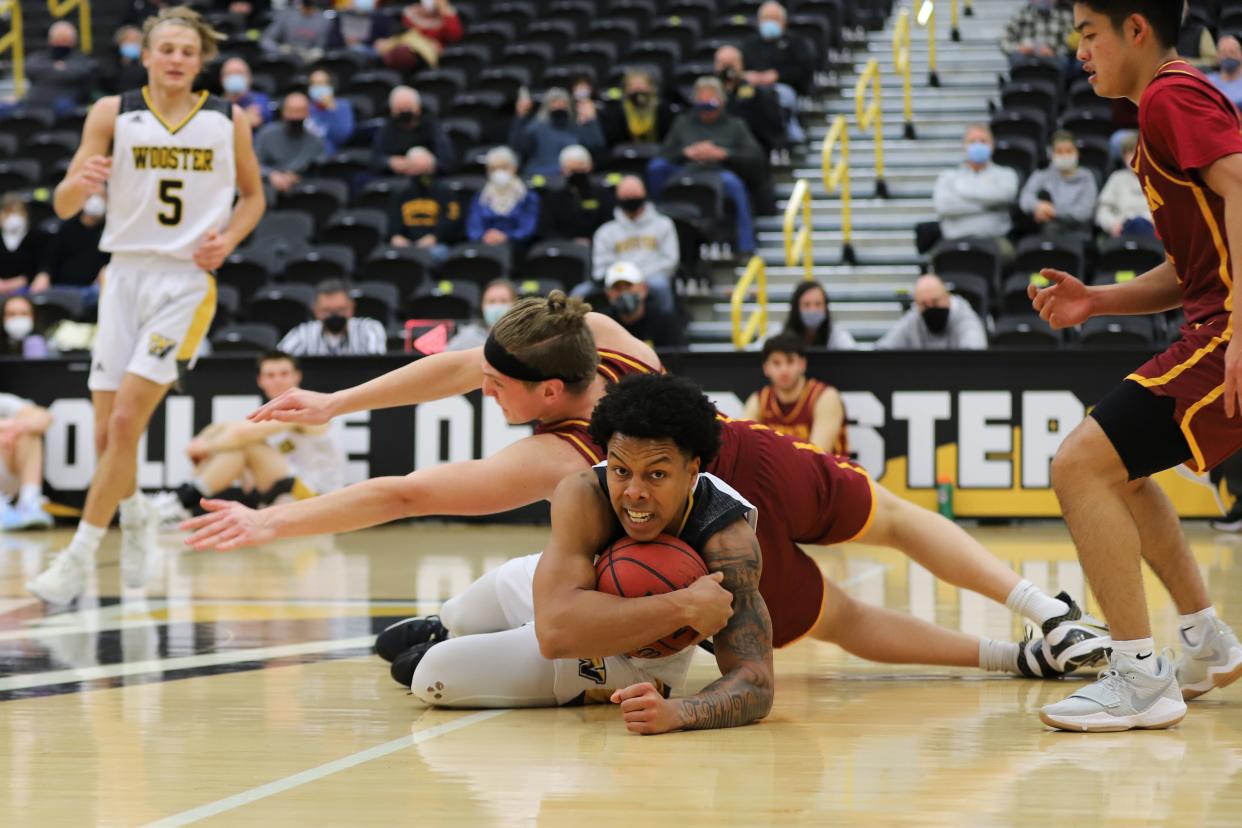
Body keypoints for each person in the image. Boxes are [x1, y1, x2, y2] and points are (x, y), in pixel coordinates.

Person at [184, 292, 1107, 686]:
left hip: (705, 519)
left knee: (841, 622)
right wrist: (333, 403)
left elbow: (397, 495)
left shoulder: (558, 456)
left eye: (500, 389)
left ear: (549, 393)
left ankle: (1010, 659)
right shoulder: (590, 331)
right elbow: (465, 361)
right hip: (748, 453)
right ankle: (1044, 610)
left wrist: (273, 524)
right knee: (898, 521)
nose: (485, 389)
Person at [1030, 0, 1242, 733]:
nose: (1079, 49)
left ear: (1137, 30)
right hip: (1216, 317)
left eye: (1089, 33)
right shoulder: (1167, 103)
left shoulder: (1170, 95)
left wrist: (1241, 323)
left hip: (1230, 328)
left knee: (1078, 465)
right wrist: (1097, 301)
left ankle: (1139, 676)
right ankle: (1205, 640)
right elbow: (1195, 266)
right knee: (1120, 468)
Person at [25, 6, 265, 606]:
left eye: (188, 50)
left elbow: (254, 197)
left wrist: (228, 240)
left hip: (184, 282)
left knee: (127, 424)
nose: (178, 59)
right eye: (168, 49)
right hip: (124, 277)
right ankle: (132, 513)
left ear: (200, 60)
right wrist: (80, 185)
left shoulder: (225, 118)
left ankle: (78, 558)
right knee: (109, 432)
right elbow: (58, 206)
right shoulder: (112, 112)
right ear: (147, 55)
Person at [390, 374, 774, 732]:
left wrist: (680, 714)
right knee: (460, 613)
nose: (634, 492)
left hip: (636, 657)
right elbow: (555, 633)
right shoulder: (583, 491)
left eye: (656, 475)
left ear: (691, 473)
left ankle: (466, 644)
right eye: (621, 470)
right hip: (570, 598)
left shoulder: (728, 543)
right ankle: (450, 630)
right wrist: (684, 606)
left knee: (431, 675)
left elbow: (756, 684)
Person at [152, 351, 344, 527]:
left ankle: (181, 501)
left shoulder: (304, 406)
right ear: (260, 381)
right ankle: (180, 502)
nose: (278, 380)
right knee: (228, 434)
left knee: (243, 443)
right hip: (287, 495)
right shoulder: (270, 414)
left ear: (297, 376)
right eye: (270, 375)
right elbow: (230, 430)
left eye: (284, 374)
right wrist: (206, 443)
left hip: (318, 502)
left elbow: (242, 434)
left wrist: (206, 446)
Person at [648, 77, 763, 256]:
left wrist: (723, 153)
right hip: (684, 170)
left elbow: (755, 155)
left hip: (718, 173)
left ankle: (745, 245)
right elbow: (664, 153)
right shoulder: (682, 123)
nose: (706, 110)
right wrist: (686, 152)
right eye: (702, 105)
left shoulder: (735, 125)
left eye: (711, 105)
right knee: (656, 168)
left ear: (722, 102)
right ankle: (653, 221)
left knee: (735, 186)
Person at [743, 332, 847, 454]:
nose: (784, 370)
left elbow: (817, 457)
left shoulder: (825, 397)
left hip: (825, 472)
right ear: (766, 368)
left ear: (802, 364)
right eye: (776, 363)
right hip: (778, 470)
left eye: (790, 361)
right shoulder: (758, 400)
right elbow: (746, 450)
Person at [588, 176, 678, 315]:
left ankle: (665, 328)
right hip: (617, 280)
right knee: (580, 292)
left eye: (634, 195)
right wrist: (623, 279)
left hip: (650, 278)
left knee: (660, 285)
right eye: (626, 196)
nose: (630, 199)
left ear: (645, 196)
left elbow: (670, 262)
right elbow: (600, 269)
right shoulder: (605, 231)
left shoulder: (664, 224)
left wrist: (637, 279)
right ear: (617, 198)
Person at [933, 124, 1021, 258]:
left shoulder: (1007, 174)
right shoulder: (948, 176)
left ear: (992, 146)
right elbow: (944, 207)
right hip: (953, 241)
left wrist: (962, 191)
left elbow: (1006, 195)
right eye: (972, 141)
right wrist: (991, 205)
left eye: (983, 141)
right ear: (964, 146)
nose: (978, 145)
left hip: (995, 241)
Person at [740, 1, 814, 143]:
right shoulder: (748, 44)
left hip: (784, 87)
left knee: (776, 96)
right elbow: (739, 69)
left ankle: (787, 131)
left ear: (784, 22)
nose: (770, 22)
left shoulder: (796, 43)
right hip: (752, 88)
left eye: (774, 19)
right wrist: (747, 76)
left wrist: (777, 75)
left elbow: (804, 70)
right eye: (766, 18)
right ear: (758, 22)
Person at [508, 88, 606, 179]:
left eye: (562, 102)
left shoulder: (576, 127)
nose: (558, 105)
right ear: (546, 106)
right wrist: (520, 117)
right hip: (541, 173)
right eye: (554, 102)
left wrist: (592, 121)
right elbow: (518, 146)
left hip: (574, 174)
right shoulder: (536, 126)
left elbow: (596, 145)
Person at [387, 147, 465, 263]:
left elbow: (453, 219)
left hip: (437, 244)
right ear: (408, 170)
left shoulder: (445, 192)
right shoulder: (400, 193)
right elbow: (393, 219)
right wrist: (396, 236)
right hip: (406, 244)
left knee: (437, 254)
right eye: (417, 170)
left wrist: (435, 237)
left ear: (433, 169)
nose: (422, 177)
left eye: (426, 171)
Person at [1019, 130, 1099, 239]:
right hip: (1045, 235)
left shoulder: (1087, 177)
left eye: (1069, 151)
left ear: (1077, 152)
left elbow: (1083, 213)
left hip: (1079, 236)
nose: (1064, 155)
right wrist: (1038, 206)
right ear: (1052, 154)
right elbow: (1025, 200)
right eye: (1059, 151)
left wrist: (1053, 211)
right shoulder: (1041, 175)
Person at [876, 274, 987, 351]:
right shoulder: (915, 316)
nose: (931, 308)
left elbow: (975, 356)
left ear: (947, 297)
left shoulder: (964, 316)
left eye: (935, 302)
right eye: (924, 304)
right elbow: (883, 351)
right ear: (917, 305)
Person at [278, 279, 387, 356]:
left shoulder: (370, 328)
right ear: (315, 310)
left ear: (351, 307)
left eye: (340, 310)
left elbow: (378, 368)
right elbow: (277, 361)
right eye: (327, 311)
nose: (334, 316)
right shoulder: (302, 333)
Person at [465, 147, 540, 256]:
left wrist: (506, 236)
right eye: (493, 169)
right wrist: (484, 236)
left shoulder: (527, 196)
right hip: (484, 245)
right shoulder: (480, 196)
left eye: (504, 167)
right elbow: (474, 226)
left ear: (514, 168)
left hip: (516, 247)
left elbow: (528, 228)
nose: (498, 172)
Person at [714, 45, 787, 155]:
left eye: (731, 64)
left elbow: (771, 126)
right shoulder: (709, 91)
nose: (727, 70)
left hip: (750, 145)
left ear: (741, 64)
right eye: (723, 64)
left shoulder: (758, 93)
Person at [538, 145, 615, 244]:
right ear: (563, 170)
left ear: (590, 167)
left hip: (598, 244)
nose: (577, 175)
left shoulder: (603, 193)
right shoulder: (553, 196)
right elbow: (547, 230)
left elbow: (609, 224)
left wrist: (592, 240)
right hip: (564, 248)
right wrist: (570, 242)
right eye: (572, 171)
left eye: (581, 170)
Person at [43, 192, 110, 305]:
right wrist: (43, 274)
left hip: (92, 291)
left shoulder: (110, 232)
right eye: (91, 195)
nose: (96, 201)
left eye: (102, 196)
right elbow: (50, 258)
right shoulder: (66, 227)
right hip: (61, 288)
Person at [373, 86, 456, 175]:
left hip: (430, 176)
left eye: (407, 108)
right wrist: (390, 162)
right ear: (392, 110)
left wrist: (429, 164)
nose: (404, 112)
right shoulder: (387, 128)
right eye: (399, 109)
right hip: (396, 177)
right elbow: (376, 160)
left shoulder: (431, 125)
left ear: (418, 108)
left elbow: (447, 160)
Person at [0, 394, 53, 531]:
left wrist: (16, 429)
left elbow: (44, 417)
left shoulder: (4, 401)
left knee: (29, 436)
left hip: (9, 470)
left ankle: (29, 502)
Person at [255, 92, 326, 195]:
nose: (295, 116)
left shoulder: (316, 141)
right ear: (284, 111)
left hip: (303, 189)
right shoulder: (266, 135)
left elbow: (318, 170)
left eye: (300, 111)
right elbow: (254, 164)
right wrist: (271, 174)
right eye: (291, 110)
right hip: (268, 186)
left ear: (308, 113)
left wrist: (298, 176)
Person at [603, 261, 685, 348]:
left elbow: (678, 357)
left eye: (629, 286)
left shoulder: (665, 321)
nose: (624, 293)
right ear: (608, 294)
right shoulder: (603, 324)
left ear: (644, 288)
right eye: (617, 288)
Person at [25, 22, 98, 113]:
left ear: (74, 41)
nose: (61, 43)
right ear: (50, 40)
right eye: (58, 39)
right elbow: (31, 69)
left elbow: (80, 72)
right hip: (35, 103)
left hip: (68, 107)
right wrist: (58, 68)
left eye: (66, 40)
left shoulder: (81, 59)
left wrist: (48, 72)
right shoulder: (37, 57)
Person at [1095, 131, 1154, 238]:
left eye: (1138, 151)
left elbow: (1168, 212)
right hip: (1122, 232)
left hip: (1152, 234)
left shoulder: (1158, 179)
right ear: (1123, 156)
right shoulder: (1117, 178)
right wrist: (1112, 224)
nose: (1135, 156)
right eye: (1130, 152)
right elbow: (1102, 210)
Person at [599, 69, 676, 148]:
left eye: (642, 84)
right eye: (632, 86)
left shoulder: (663, 109)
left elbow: (670, 138)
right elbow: (613, 139)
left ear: (651, 88)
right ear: (626, 90)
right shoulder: (617, 111)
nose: (638, 89)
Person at [379, 0, 463, 71]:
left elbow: (454, 36)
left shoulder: (446, 16)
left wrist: (443, 9)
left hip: (428, 54)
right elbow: (405, 33)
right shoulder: (411, 13)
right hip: (408, 48)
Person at [780, 280, 856, 350]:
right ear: (796, 308)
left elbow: (852, 355)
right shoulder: (780, 333)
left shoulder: (835, 333)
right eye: (806, 305)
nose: (812, 310)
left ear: (826, 307)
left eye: (818, 304)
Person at [446, 279, 518, 351]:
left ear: (515, 305)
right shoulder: (466, 338)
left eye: (503, 301)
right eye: (491, 301)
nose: (497, 306)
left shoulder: (523, 338)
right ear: (482, 306)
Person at [0, 195, 51, 294]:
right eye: (8, 213)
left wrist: (14, 283)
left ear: (26, 215)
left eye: (18, 213)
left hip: (27, 288)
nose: (13, 218)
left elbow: (42, 267)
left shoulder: (37, 237)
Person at [1000, 0, 1076, 64]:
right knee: (1016, 58)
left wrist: (1053, 53)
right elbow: (1004, 40)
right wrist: (1018, 48)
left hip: (1054, 62)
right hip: (1024, 62)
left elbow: (1071, 44)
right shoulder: (1021, 14)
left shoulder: (1065, 16)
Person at [260, 0, 334, 63]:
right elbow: (265, 39)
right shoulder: (287, 15)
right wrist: (279, 49)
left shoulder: (323, 20)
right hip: (286, 60)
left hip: (311, 61)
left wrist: (318, 51)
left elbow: (323, 46)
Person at [305, 68, 355, 155]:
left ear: (330, 86)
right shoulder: (305, 108)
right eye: (313, 84)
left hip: (331, 156)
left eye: (320, 84)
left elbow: (343, 137)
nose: (317, 88)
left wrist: (331, 109)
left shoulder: (342, 106)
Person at [219, 57, 271, 130]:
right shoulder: (216, 104)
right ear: (221, 79)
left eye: (239, 73)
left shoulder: (260, 99)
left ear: (249, 77)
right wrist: (245, 117)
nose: (234, 77)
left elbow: (255, 120)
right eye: (229, 73)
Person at [330, 0, 394, 55]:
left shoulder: (382, 18)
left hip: (369, 51)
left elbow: (384, 40)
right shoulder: (341, 16)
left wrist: (360, 41)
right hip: (343, 51)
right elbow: (332, 41)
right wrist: (345, 40)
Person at [101, 26, 148, 96]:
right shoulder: (109, 65)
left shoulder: (147, 66)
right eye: (128, 40)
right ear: (120, 42)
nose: (132, 43)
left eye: (136, 40)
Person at [1207, 35, 1242, 108]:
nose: (1228, 56)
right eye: (1223, 53)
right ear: (1217, 57)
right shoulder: (1207, 82)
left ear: (1240, 55)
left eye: (1232, 52)